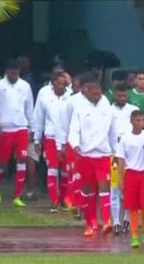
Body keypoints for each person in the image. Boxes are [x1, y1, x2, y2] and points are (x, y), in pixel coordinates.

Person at [67, 74, 116, 236]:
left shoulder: (107, 106)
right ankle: (89, 223)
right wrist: (75, 145)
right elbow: (73, 130)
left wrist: (115, 150)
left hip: (103, 154)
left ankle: (107, 221)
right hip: (85, 155)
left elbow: (112, 131)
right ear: (86, 91)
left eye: (99, 94)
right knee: (86, 191)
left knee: (104, 187)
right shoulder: (79, 108)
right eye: (94, 94)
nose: (97, 97)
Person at [0, 59, 34, 207]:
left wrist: (32, 128)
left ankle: (17, 195)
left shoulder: (25, 86)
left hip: (21, 127)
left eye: (16, 73)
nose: (13, 75)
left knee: (22, 159)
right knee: (2, 162)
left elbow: (29, 108)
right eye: (11, 73)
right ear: (6, 71)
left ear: (19, 72)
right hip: (6, 128)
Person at [116, 110, 144, 248]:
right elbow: (121, 160)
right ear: (131, 122)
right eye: (137, 120)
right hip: (132, 173)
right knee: (132, 207)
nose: (140, 123)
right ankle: (134, 235)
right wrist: (121, 179)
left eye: (142, 120)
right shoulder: (125, 138)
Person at [33, 74, 71, 212]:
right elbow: (38, 118)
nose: (61, 86)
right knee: (52, 169)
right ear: (53, 84)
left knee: (65, 172)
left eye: (64, 84)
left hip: (67, 139)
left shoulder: (71, 98)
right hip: (50, 138)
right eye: (59, 84)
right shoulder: (45, 98)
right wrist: (37, 139)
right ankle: (54, 200)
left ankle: (65, 199)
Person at [110, 83, 139, 234]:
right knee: (114, 188)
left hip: (131, 156)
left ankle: (127, 219)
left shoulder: (133, 110)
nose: (122, 98)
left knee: (129, 190)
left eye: (124, 96)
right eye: (119, 95)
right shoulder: (108, 110)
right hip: (114, 154)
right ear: (114, 94)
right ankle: (115, 221)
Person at [59, 73, 86, 220]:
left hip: (88, 145)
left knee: (84, 176)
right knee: (73, 174)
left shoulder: (98, 101)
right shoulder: (72, 101)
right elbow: (65, 124)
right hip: (73, 143)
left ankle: (81, 204)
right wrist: (62, 145)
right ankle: (74, 202)